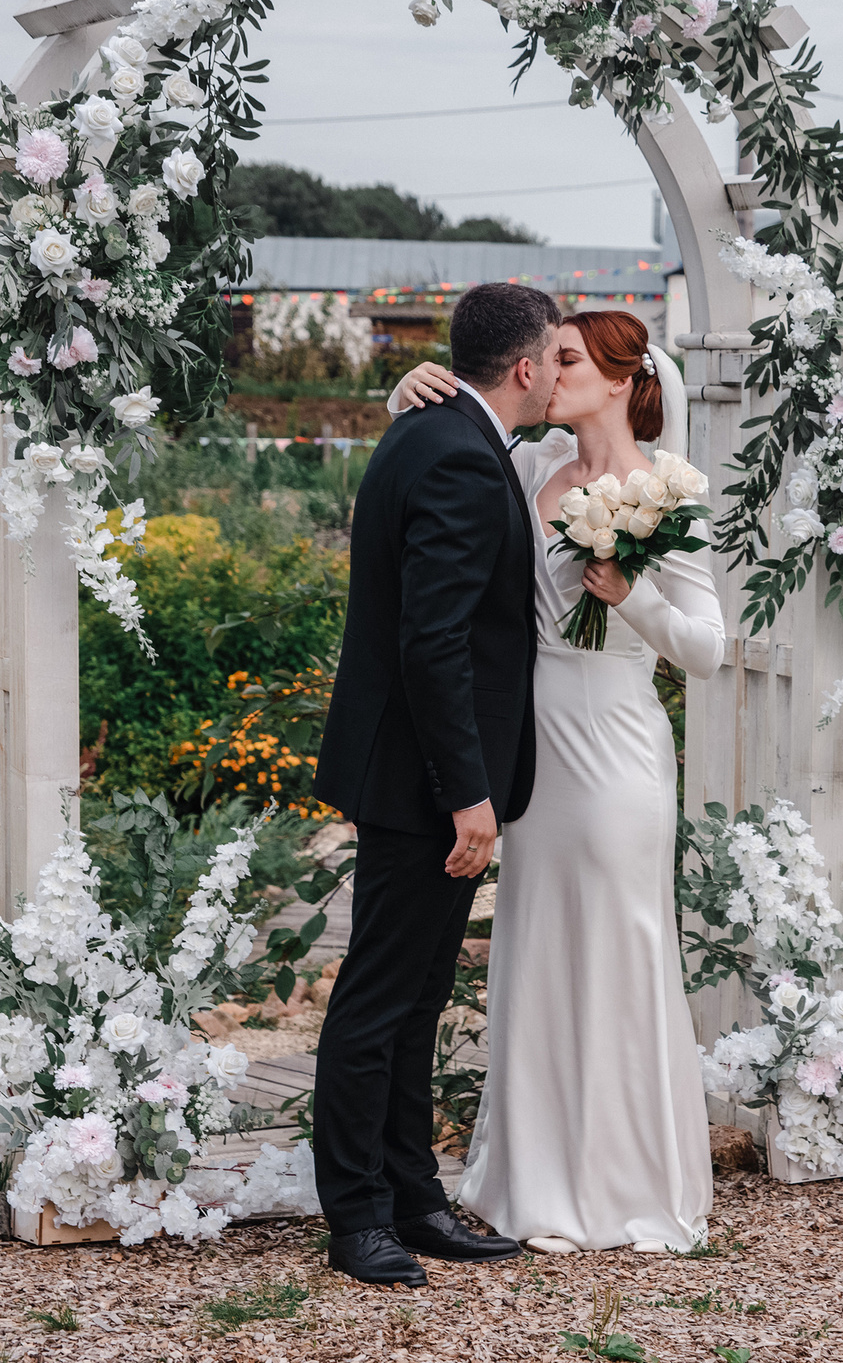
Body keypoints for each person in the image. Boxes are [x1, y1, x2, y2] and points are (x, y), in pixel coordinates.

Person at [390, 308, 723, 1253]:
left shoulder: (667, 491)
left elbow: (707, 649)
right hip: (532, 749)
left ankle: (626, 1181)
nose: (547, 368)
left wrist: (637, 595)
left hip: (619, 747)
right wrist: (404, 392)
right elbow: (453, 456)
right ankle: (531, 1178)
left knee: (621, 951)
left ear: (621, 379)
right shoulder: (530, 468)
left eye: (568, 358)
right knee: (534, 953)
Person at [308, 281, 560, 1287]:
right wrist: (468, 793)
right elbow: (434, 640)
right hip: (422, 780)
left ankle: (412, 1195)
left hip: (414, 771)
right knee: (379, 998)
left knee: (415, 996)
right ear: (527, 366)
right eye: (555, 355)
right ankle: (357, 1214)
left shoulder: (435, 429)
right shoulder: (457, 450)